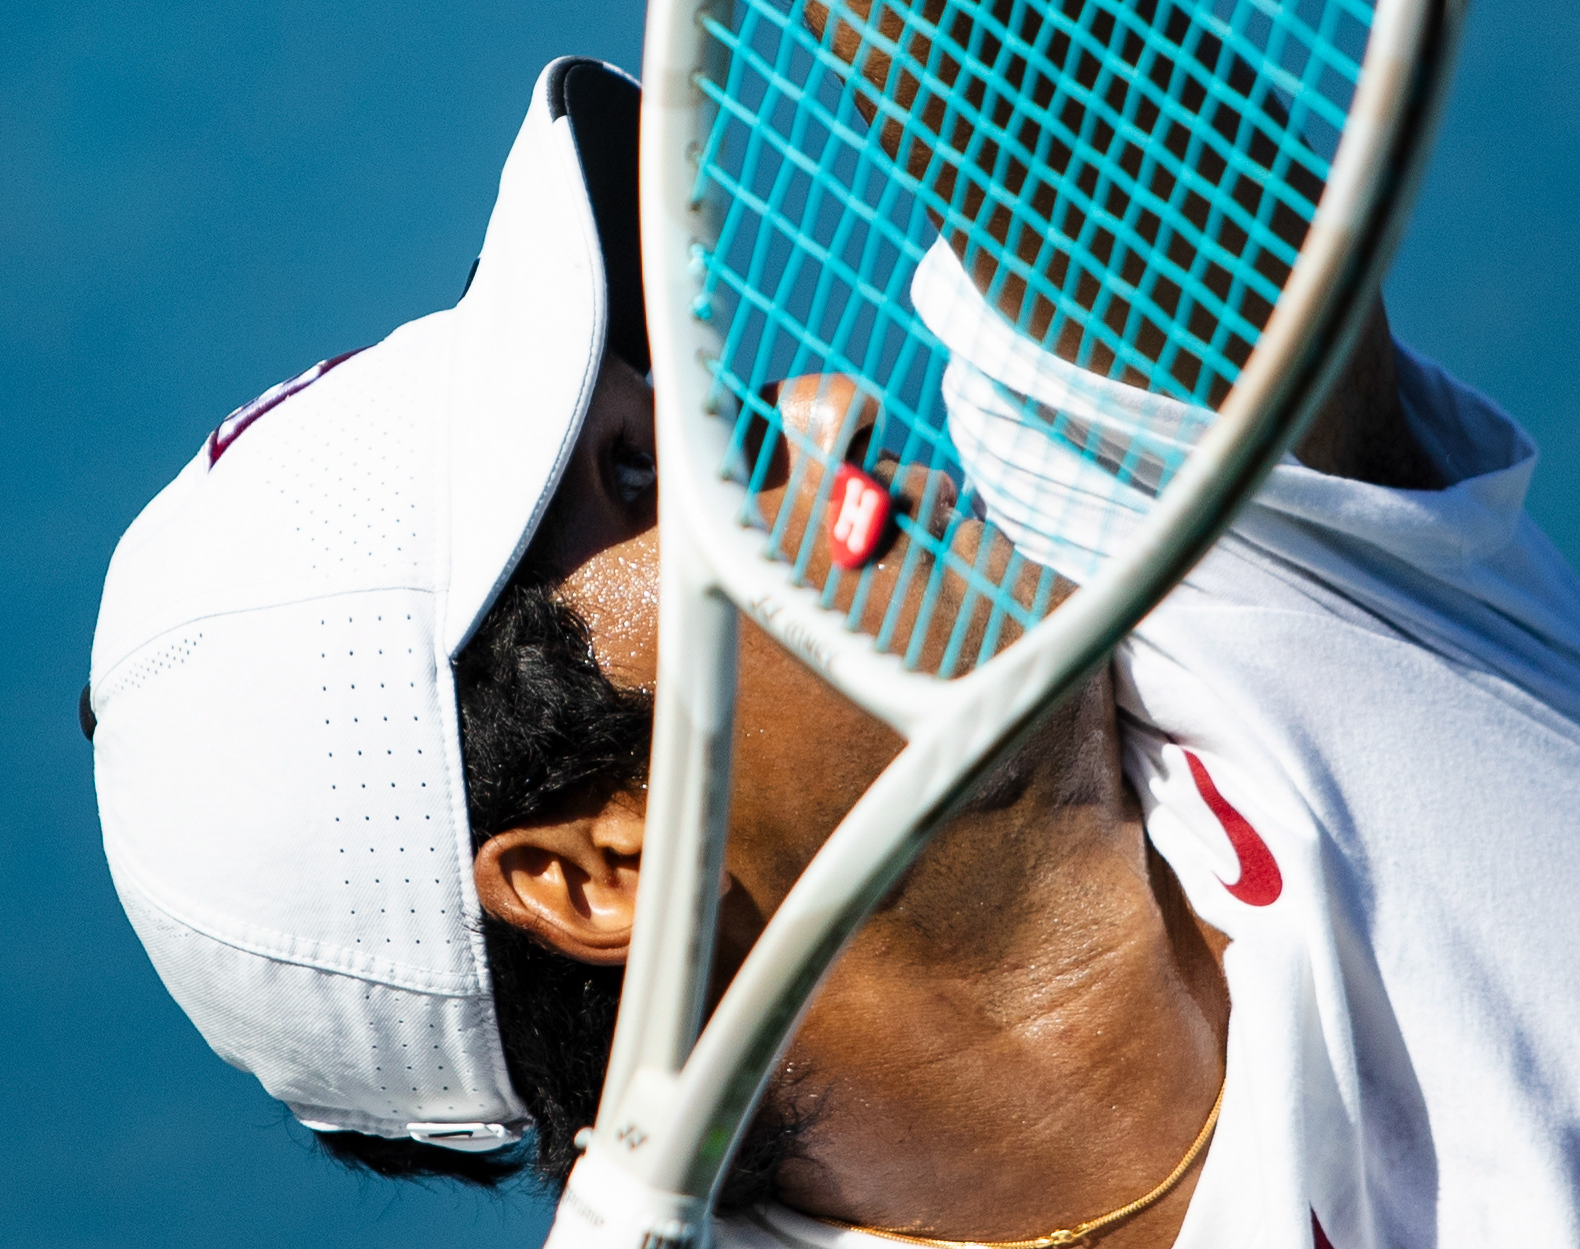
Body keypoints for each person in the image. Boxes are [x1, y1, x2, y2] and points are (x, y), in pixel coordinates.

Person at [85, 54, 1580, 1249]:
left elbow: (994, 51)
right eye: (646, 479)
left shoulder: (1240, 569)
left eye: (712, 407)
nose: (819, 403)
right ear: (595, 866)